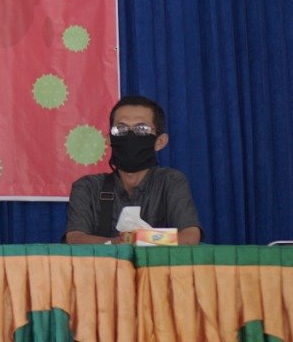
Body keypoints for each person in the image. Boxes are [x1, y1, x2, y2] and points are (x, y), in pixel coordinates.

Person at [63, 96, 203, 245]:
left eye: (142, 129)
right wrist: (120, 243)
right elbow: (75, 238)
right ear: (109, 139)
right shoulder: (88, 187)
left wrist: (139, 240)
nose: (130, 137)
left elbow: (190, 236)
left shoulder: (171, 182)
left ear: (160, 141)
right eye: (120, 129)